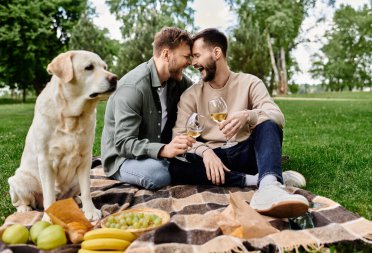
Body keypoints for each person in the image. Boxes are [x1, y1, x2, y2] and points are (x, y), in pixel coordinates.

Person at [169, 28, 309, 218]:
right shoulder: (191, 95)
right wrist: (206, 152)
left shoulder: (250, 82)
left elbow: (277, 117)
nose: (193, 63)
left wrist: (248, 115)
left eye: (197, 56)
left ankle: (268, 189)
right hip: (215, 160)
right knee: (175, 168)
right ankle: (264, 179)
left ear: (216, 53)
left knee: (268, 124)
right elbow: (179, 136)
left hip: (245, 153)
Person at [101, 27, 195, 190]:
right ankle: (175, 166)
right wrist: (164, 150)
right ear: (166, 54)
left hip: (156, 149)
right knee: (158, 174)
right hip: (122, 157)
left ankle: (175, 165)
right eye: (186, 57)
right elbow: (123, 143)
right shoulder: (133, 88)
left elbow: (202, 93)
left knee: (194, 156)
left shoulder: (177, 81)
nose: (190, 62)